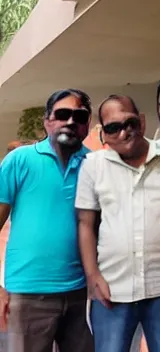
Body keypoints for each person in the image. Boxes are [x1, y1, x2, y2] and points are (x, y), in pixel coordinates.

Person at [75, 95, 160, 352]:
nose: (124, 132)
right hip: (112, 289)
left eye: (129, 123)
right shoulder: (93, 167)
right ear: (103, 133)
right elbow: (85, 224)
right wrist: (93, 277)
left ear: (142, 121)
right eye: (113, 128)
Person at [0, 89, 94, 352]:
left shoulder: (95, 165)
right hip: (28, 294)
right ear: (47, 121)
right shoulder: (20, 160)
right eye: (62, 114)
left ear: (87, 125)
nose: (70, 121)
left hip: (81, 295)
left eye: (79, 116)